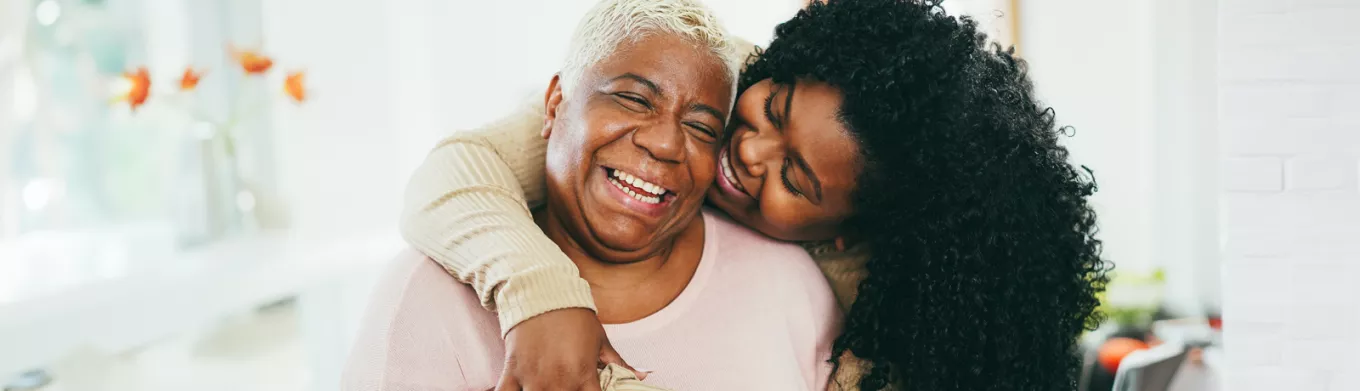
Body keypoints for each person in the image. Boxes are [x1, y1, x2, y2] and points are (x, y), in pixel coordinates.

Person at [402, 0, 1110, 389]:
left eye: (794, 179)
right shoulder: (711, 76)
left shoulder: (868, 289)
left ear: (839, 232)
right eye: (772, 111)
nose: (746, 149)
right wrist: (544, 294)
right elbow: (454, 171)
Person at [343, 0, 841, 390]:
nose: (666, 142)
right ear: (555, 102)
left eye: (702, 127)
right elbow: (452, 168)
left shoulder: (792, 288)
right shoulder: (423, 296)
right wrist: (541, 295)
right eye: (633, 98)